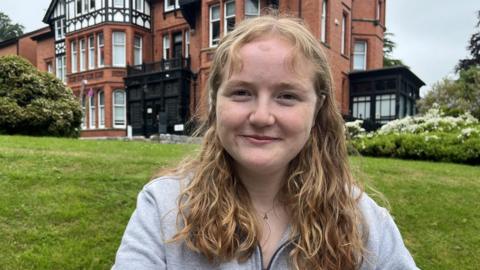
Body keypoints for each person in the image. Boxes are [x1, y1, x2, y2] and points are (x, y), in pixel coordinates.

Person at [112, 14, 418, 270]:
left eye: (287, 96)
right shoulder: (164, 208)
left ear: (318, 108)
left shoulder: (365, 222)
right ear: (215, 102)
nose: (261, 116)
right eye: (241, 92)